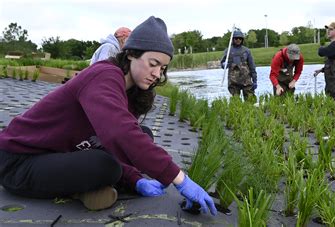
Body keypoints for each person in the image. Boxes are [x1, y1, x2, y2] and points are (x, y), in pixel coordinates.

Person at [0, 16, 217, 215]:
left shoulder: (131, 92)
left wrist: (135, 180)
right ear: (131, 53)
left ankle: (88, 186)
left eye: (162, 68)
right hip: (19, 161)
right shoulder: (103, 75)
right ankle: (81, 190)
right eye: (153, 64)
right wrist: (179, 179)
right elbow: (119, 133)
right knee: (106, 166)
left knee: (144, 134)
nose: (156, 74)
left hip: (65, 153)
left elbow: (119, 138)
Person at [313, 22, 335, 101]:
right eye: (327, 29)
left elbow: (321, 52)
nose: (328, 31)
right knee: (331, 108)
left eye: (331, 29)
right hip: (332, 84)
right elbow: (334, 63)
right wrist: (322, 70)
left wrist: (321, 47)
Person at [220, 30, 258, 100]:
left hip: (246, 81)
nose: (238, 40)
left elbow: (252, 66)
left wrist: (255, 80)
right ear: (233, 39)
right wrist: (224, 64)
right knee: (235, 102)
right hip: (233, 82)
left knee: (250, 100)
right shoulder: (228, 51)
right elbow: (222, 64)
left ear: (242, 40)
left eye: (240, 38)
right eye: (236, 38)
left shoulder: (246, 51)